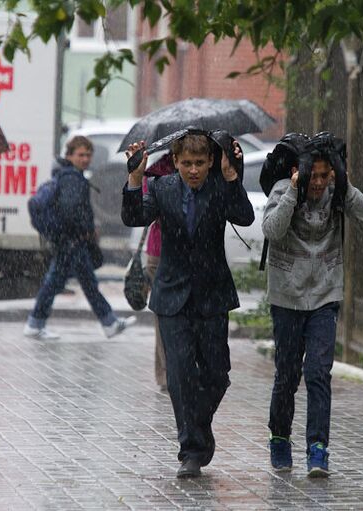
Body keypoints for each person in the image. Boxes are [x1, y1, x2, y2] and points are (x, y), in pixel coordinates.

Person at [122, 132, 255, 478]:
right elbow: (134, 217)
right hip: (171, 294)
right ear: (176, 162)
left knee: (216, 374)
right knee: (179, 374)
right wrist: (135, 178)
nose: (193, 170)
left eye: (199, 163)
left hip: (213, 295)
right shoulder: (164, 188)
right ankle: (191, 451)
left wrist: (231, 176)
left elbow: (245, 217)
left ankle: (198, 427)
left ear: (210, 161)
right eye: (186, 164)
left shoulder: (219, 184)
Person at [261, 132, 363, 477]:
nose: (318, 183)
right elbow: (271, 230)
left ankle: (318, 448)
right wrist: (292, 192)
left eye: (324, 175)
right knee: (287, 375)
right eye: (312, 175)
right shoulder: (283, 189)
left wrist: (346, 187)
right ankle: (280, 437)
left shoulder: (336, 191)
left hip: (325, 297)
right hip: (286, 297)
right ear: (301, 172)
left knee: (318, 373)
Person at [24, 136, 136, 340]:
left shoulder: (69, 176)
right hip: (71, 241)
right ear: (69, 155)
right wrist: (85, 229)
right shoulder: (72, 178)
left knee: (84, 282)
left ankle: (109, 322)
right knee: (56, 283)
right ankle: (35, 323)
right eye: (80, 154)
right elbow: (71, 211)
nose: (85, 159)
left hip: (70, 241)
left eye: (88, 155)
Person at [142, 152, 176, 391]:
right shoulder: (156, 172)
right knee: (163, 315)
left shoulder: (207, 164)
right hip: (160, 250)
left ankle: (181, 370)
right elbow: (145, 210)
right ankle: (166, 374)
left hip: (192, 253)